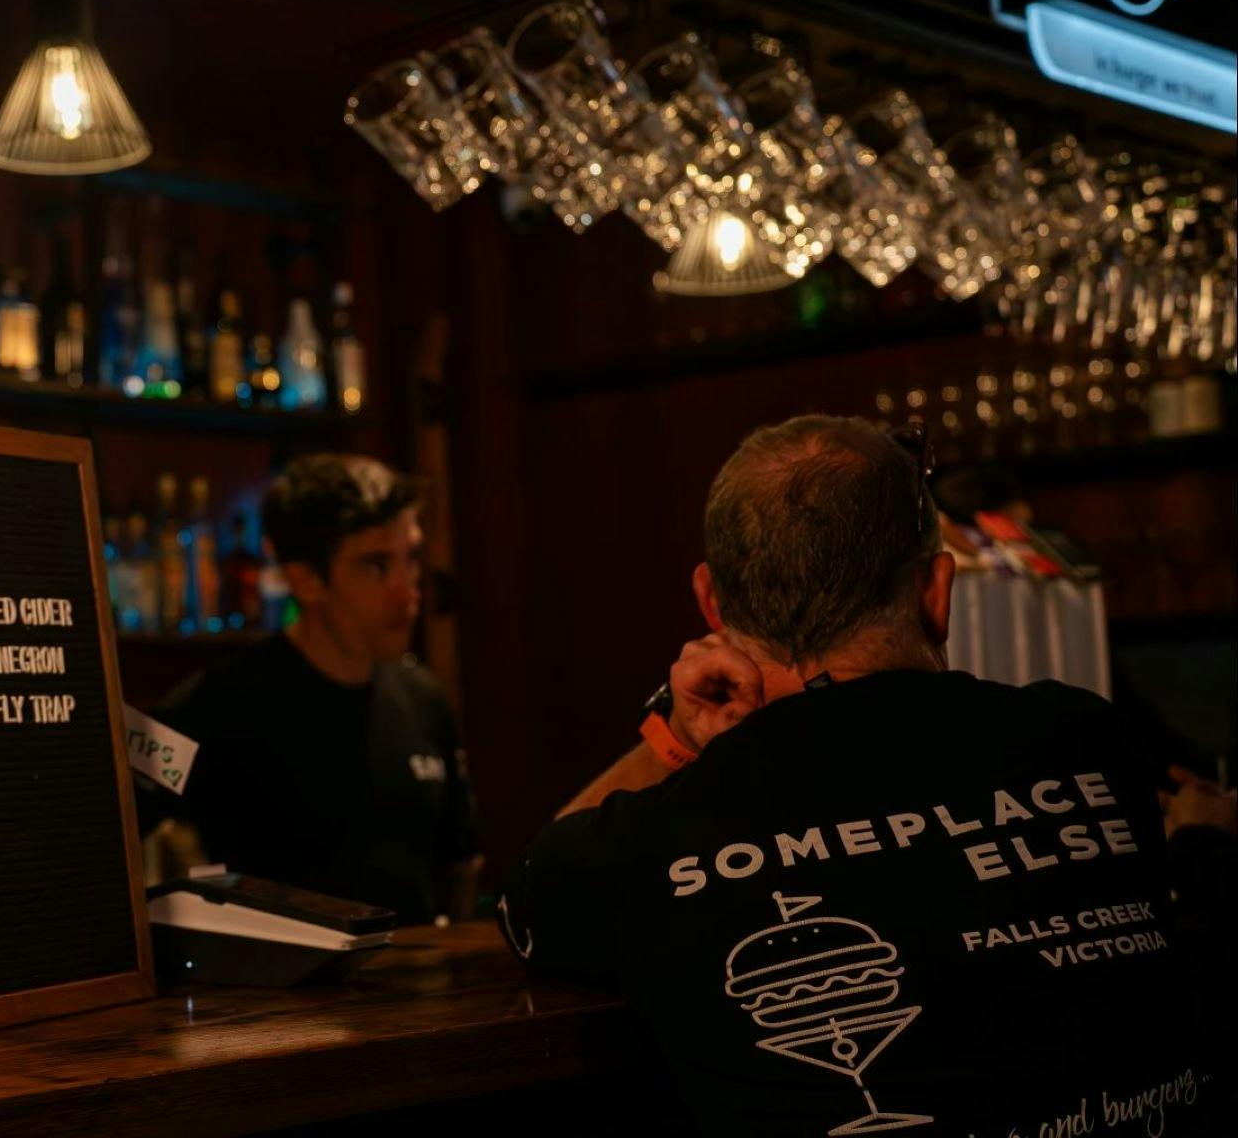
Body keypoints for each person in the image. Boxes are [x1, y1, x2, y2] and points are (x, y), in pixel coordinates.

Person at [498, 415, 1222, 1136]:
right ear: (939, 593)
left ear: (712, 603)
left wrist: (677, 734)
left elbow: (524, 896)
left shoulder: (659, 840)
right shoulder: (1090, 741)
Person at [151, 454, 479, 923]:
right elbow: (114, 805)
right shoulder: (224, 701)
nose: (407, 591)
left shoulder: (422, 696)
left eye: (411, 560)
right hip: (279, 991)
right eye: (376, 566)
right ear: (305, 579)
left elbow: (462, 861)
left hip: (419, 985)